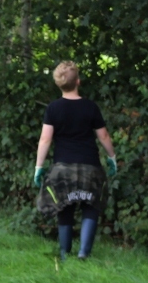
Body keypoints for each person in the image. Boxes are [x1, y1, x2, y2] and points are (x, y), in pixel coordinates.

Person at [33, 61, 118, 262]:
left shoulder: (53, 108)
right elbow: (104, 136)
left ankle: (64, 253)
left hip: (62, 168)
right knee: (91, 206)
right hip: (90, 166)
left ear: (59, 84)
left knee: (64, 208)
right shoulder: (90, 107)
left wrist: (38, 167)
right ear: (78, 81)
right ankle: (83, 253)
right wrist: (112, 157)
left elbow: (45, 139)